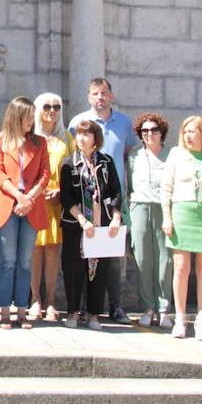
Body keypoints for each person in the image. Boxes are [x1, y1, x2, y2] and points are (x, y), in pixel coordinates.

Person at [67, 78, 138, 324]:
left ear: (111, 95)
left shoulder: (124, 123)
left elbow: (126, 154)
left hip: (113, 199)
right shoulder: (77, 122)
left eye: (104, 93)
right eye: (96, 93)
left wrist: (117, 207)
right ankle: (87, 308)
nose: (100, 97)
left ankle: (115, 306)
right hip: (85, 203)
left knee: (113, 256)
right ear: (89, 97)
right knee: (85, 256)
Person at [161, 116, 202, 341]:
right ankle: (179, 318)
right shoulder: (175, 155)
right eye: (185, 131)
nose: (189, 136)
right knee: (180, 267)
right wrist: (167, 218)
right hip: (181, 214)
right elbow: (166, 188)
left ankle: (201, 319)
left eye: (193, 131)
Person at [0, 96, 49, 329]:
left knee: (25, 261)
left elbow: (45, 174)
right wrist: (18, 196)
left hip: (30, 205)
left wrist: (29, 197)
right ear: (16, 117)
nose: (32, 122)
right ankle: (4, 310)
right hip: (8, 204)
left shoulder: (40, 143)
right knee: (7, 261)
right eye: (28, 117)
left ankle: (22, 310)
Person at [59, 119, 123, 331]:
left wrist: (115, 218)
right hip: (76, 225)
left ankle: (94, 314)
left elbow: (115, 192)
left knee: (99, 269)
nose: (81, 138)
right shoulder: (69, 163)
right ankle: (72, 312)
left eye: (86, 134)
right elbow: (67, 198)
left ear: (96, 139)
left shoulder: (106, 163)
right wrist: (82, 220)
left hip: (101, 223)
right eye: (78, 133)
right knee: (73, 269)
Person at [129, 112, 172, 329]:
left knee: (165, 261)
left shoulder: (172, 157)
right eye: (144, 131)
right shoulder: (134, 157)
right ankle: (147, 307)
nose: (149, 134)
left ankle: (164, 309)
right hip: (139, 208)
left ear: (161, 132)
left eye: (154, 130)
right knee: (142, 259)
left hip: (164, 210)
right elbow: (129, 186)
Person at [31, 93, 71, 323]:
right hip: (35, 201)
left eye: (57, 106)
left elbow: (73, 171)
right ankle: (35, 299)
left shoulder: (67, 139)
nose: (52, 111)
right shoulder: (31, 136)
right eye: (47, 106)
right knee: (35, 251)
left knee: (53, 251)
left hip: (56, 202)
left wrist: (62, 192)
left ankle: (51, 301)